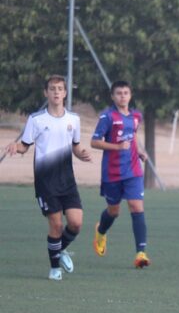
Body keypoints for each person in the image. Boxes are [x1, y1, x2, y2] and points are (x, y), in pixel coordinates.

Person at [4, 75, 92, 281]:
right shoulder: (36, 119)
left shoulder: (73, 119)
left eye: (60, 88)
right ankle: (54, 269)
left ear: (65, 93)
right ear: (46, 93)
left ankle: (59, 250)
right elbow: (25, 146)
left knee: (76, 223)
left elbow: (75, 145)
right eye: (52, 89)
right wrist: (15, 146)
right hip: (46, 182)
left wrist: (81, 154)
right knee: (56, 225)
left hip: (67, 180)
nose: (56, 92)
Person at [90, 80, 151, 268]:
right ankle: (101, 231)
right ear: (112, 96)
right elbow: (94, 142)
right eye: (118, 93)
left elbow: (133, 136)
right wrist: (117, 147)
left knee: (136, 206)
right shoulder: (107, 117)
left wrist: (139, 151)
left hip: (133, 170)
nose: (122, 96)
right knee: (113, 211)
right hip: (112, 172)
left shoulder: (136, 116)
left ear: (130, 95)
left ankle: (141, 253)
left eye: (125, 93)